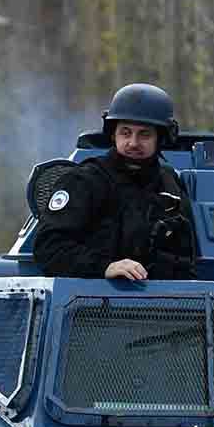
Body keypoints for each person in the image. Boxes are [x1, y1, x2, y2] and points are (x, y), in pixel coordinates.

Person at [32, 82, 195, 282]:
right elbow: (48, 247)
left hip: (166, 305)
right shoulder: (84, 181)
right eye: (125, 132)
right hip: (93, 304)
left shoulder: (170, 184)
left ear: (161, 138)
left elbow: (189, 259)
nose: (133, 143)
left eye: (144, 134)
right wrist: (104, 267)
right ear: (113, 134)